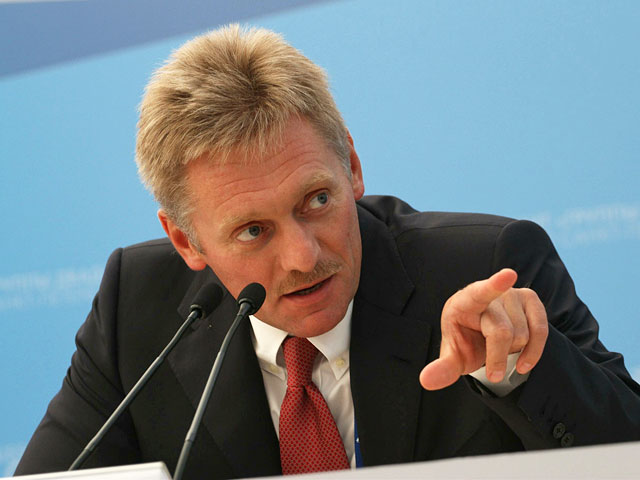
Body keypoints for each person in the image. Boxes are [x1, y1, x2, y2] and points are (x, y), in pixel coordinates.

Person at [15, 24, 640, 478]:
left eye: (316, 199)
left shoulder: (484, 269)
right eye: (253, 231)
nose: (303, 256)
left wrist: (521, 370)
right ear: (186, 240)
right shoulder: (136, 308)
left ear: (353, 167)